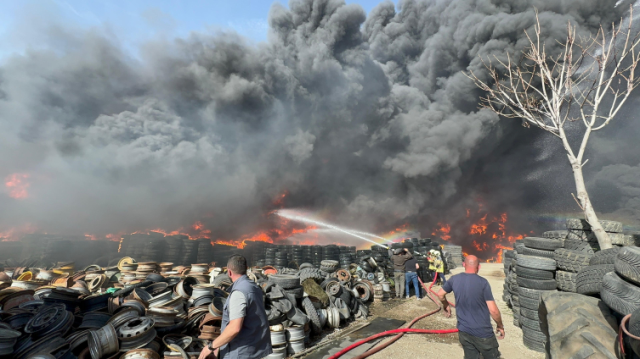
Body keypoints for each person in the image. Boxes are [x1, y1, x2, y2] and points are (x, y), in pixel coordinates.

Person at [199, 255, 272, 359]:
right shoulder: (254, 287)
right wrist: (218, 347)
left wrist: (210, 347)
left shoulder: (238, 293)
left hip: (241, 352)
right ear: (246, 268)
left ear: (229, 272)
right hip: (254, 349)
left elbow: (234, 328)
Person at [436, 255, 504, 359]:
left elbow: (440, 294)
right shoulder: (483, 282)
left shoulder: (454, 279)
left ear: (464, 264)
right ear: (479, 267)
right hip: (483, 333)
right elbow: (493, 310)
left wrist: (446, 305)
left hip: (464, 332)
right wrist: (500, 325)